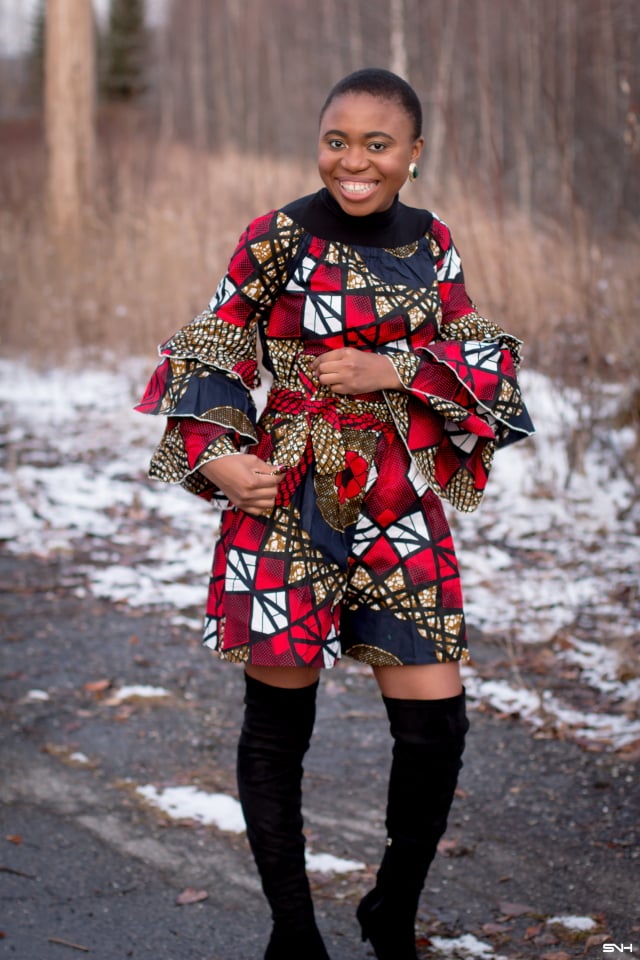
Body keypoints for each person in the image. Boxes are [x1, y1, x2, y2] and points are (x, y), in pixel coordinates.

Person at [136, 68, 534, 960]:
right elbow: (212, 342)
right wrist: (221, 457)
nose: (354, 162)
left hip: (397, 497)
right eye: (336, 141)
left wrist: (393, 370)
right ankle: (293, 931)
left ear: (414, 155)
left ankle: (390, 909)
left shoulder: (434, 245)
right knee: (280, 724)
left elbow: (491, 372)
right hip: (287, 493)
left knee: (436, 724)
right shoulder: (277, 235)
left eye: (377, 144)